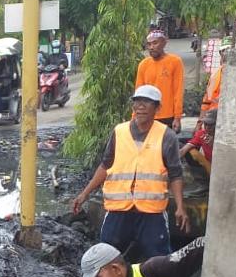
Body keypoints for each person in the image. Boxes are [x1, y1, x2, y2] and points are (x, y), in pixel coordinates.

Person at [72, 85, 188, 259]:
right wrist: (84, 194)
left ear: (157, 108)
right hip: (118, 210)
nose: (140, 106)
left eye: (147, 102)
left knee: (158, 260)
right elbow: (105, 165)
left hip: (151, 214)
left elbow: (175, 174)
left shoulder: (167, 136)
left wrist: (180, 207)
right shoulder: (119, 132)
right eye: (137, 102)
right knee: (106, 257)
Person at [134, 30, 184, 132]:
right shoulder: (143, 64)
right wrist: (135, 116)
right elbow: (138, 93)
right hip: (147, 115)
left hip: (167, 116)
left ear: (164, 43)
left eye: (155, 43)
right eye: (149, 44)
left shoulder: (175, 62)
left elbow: (178, 91)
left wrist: (177, 117)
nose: (151, 47)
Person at [182, 109, 217, 175]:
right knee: (191, 150)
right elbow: (185, 149)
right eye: (205, 124)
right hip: (208, 166)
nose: (207, 127)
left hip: (219, 167)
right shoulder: (201, 134)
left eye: (210, 125)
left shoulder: (222, 138)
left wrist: (213, 145)